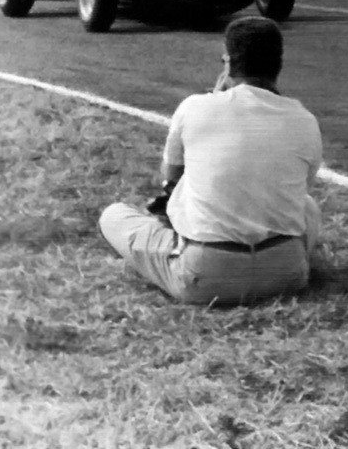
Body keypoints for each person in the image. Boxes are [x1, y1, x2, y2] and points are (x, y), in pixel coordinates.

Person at [99, 17, 324, 305]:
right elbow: (301, 188)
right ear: (277, 64)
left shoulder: (195, 107)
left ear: (228, 64)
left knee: (114, 215)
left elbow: (170, 178)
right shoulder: (305, 120)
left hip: (208, 275)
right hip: (285, 273)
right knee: (308, 206)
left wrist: (216, 99)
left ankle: (184, 254)